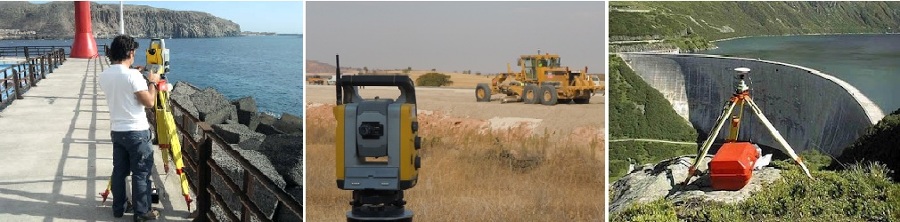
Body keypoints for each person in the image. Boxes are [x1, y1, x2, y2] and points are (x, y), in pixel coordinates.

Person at [98, 35, 161, 220]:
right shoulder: (133, 76)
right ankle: (142, 213)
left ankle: (119, 208)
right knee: (140, 174)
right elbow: (149, 102)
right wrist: (152, 82)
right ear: (130, 52)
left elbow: (121, 83)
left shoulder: (104, 75)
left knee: (120, 171)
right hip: (137, 133)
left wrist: (135, 72)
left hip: (117, 131)